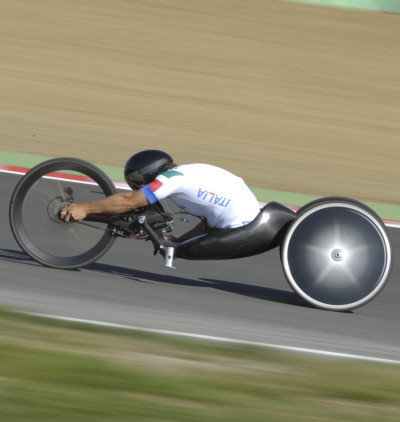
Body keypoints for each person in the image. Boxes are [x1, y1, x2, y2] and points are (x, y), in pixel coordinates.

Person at [60, 150, 261, 242]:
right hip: (244, 218)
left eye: (140, 184)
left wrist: (84, 209)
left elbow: (129, 202)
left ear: (149, 173)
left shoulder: (171, 179)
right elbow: (209, 222)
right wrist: (179, 242)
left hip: (241, 228)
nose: (141, 189)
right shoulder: (184, 174)